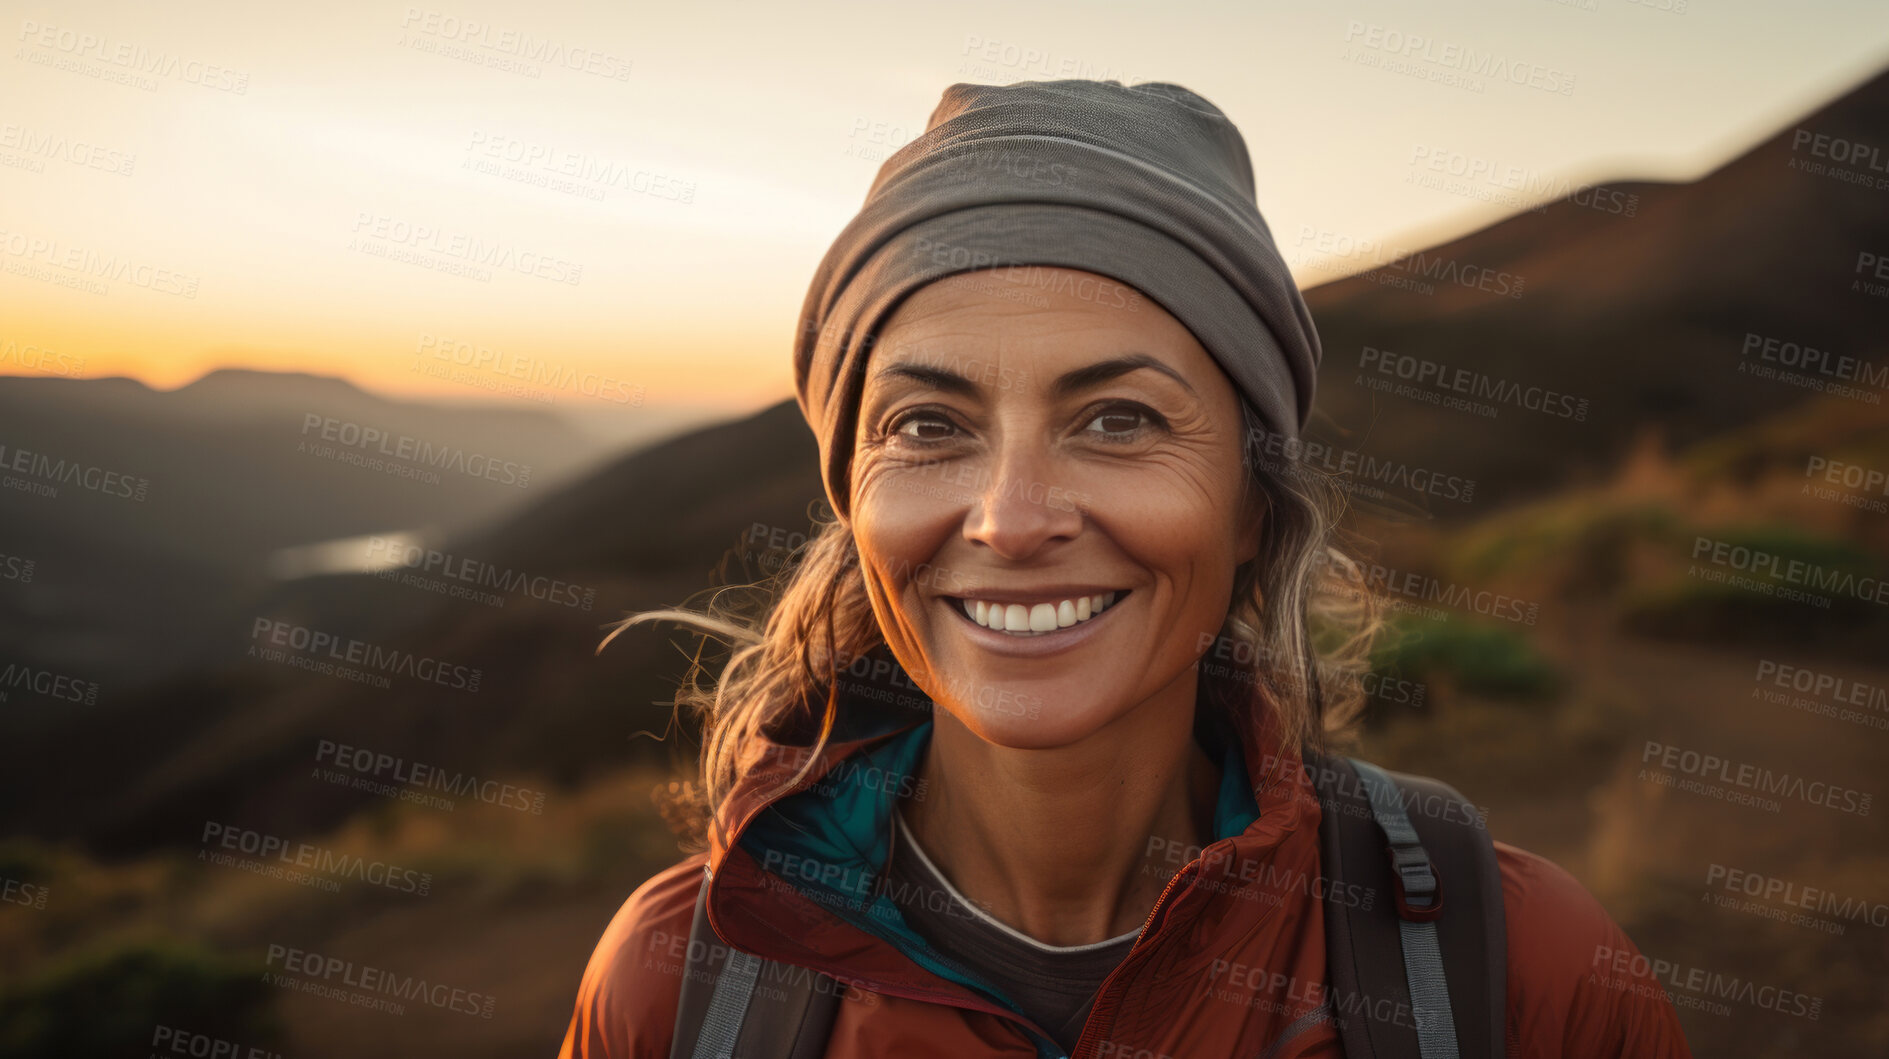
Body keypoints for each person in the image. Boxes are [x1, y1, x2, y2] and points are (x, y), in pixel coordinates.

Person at [557, 79, 1693, 1058]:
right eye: (925, 426)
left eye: (1115, 419)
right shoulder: (680, 990)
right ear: (853, 497)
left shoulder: (1514, 974)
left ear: (1253, 504)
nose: (1010, 519)